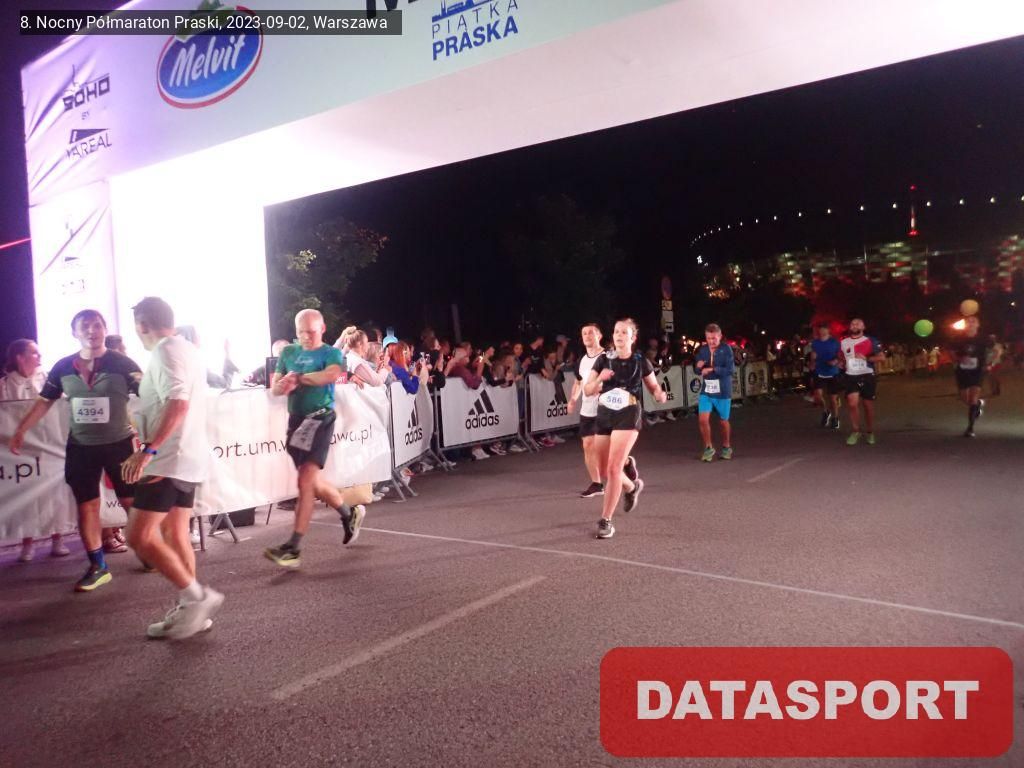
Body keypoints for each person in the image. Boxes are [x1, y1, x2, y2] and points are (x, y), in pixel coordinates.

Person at [9, 310, 140, 591]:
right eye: (85, 326)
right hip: (82, 447)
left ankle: (148, 549)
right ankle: (98, 566)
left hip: (119, 444)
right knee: (87, 505)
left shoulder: (122, 363)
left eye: (97, 325)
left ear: (104, 329)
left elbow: (150, 395)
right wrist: (21, 430)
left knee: (131, 502)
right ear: (75, 333)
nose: (92, 331)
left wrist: (154, 437)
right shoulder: (63, 367)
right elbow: (45, 400)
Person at [118, 297, 222, 638]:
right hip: (185, 456)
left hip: (168, 458)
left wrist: (147, 450)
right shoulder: (186, 348)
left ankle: (197, 598)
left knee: (138, 536)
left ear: (142, 325)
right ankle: (192, 611)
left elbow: (178, 404)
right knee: (175, 534)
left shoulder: (165, 351)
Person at [265, 310, 365, 568]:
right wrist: (282, 385)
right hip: (296, 422)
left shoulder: (331, 353)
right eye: (301, 332)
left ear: (322, 329)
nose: (307, 337)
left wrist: (299, 379)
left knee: (305, 481)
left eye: (311, 332)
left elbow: (330, 375)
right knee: (312, 482)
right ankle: (349, 513)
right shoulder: (288, 353)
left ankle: (293, 547)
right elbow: (275, 387)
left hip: (321, 419)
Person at [583, 318, 667, 539]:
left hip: (628, 413)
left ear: (633, 337)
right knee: (604, 470)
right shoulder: (603, 360)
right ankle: (631, 487)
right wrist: (599, 379)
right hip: (604, 414)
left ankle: (606, 521)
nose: (619, 336)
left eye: (624, 332)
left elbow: (653, 386)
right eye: (616, 332)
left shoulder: (640, 361)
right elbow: (588, 390)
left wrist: (659, 394)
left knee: (613, 469)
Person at [2, 339, 70, 561]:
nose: (39, 357)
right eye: (34, 353)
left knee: (55, 495)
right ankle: (27, 543)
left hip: (50, 447)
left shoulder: (48, 380)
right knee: (28, 498)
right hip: (21, 451)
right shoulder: (4, 385)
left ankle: (58, 539)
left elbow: (62, 408)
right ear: (20, 357)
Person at [568, 322, 605, 497]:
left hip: (606, 408)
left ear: (599, 336)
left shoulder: (607, 358)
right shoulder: (582, 360)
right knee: (588, 445)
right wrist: (573, 399)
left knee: (605, 449)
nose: (587, 336)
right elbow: (578, 382)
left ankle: (626, 463)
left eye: (591, 332)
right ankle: (597, 484)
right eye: (584, 333)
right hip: (588, 410)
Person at [839, 317, 884, 445]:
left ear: (863, 327)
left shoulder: (871, 340)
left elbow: (881, 357)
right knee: (852, 404)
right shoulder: (844, 342)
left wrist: (867, 358)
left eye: (858, 323)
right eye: (852, 323)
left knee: (867, 406)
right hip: (851, 376)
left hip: (867, 375)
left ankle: (870, 431)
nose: (855, 325)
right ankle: (856, 431)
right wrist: (841, 363)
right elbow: (842, 358)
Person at [694, 323, 735, 461]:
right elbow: (697, 369)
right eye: (708, 338)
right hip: (707, 390)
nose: (711, 341)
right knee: (702, 419)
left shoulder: (726, 349)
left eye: (714, 338)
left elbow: (730, 370)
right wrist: (698, 368)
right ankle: (708, 447)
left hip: (723, 391)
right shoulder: (703, 350)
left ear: (720, 336)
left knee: (723, 421)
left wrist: (712, 369)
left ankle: (726, 446)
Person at [952, 316, 990, 438]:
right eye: (968, 322)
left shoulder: (983, 338)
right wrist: (959, 359)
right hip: (962, 371)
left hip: (977, 371)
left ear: (978, 325)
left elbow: (996, 349)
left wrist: (990, 363)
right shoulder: (958, 338)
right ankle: (978, 404)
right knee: (965, 399)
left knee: (972, 398)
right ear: (965, 325)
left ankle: (970, 428)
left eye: (973, 321)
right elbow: (951, 352)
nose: (971, 323)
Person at [809, 323, 842, 430]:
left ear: (828, 331)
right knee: (817, 397)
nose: (822, 332)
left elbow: (840, 355)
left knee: (833, 399)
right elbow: (813, 356)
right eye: (821, 330)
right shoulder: (815, 342)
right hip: (819, 371)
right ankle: (826, 411)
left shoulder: (834, 342)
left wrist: (836, 361)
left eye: (824, 330)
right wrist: (812, 361)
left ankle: (835, 418)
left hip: (832, 372)